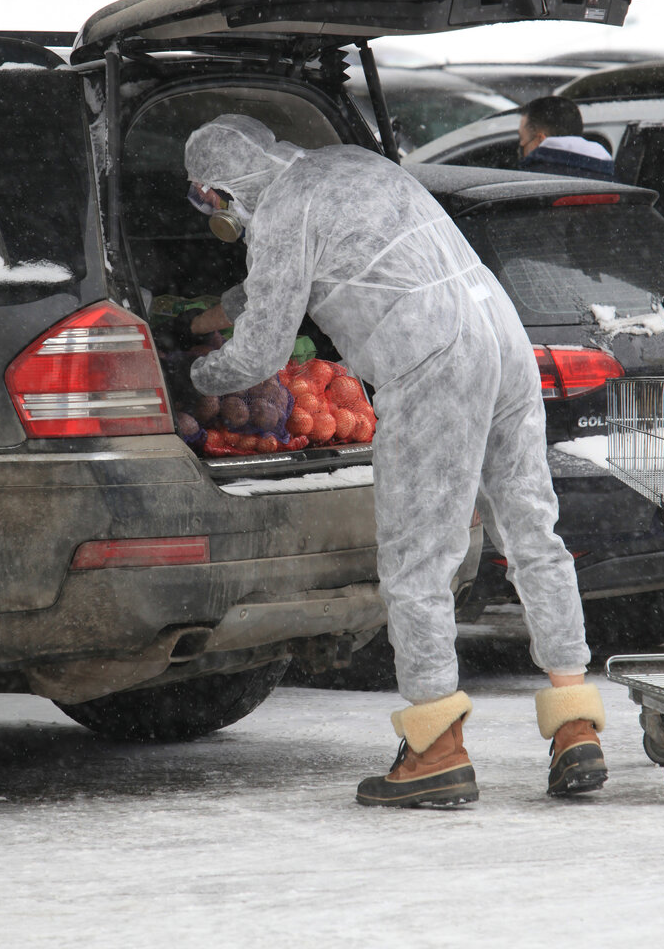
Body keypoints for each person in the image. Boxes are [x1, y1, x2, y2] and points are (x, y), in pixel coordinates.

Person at [185, 112, 608, 808]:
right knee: (533, 532)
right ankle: (576, 723)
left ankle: (434, 747)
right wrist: (222, 310)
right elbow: (314, 263)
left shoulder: (285, 208)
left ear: (220, 188)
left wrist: (198, 375)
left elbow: (262, 350)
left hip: (432, 357)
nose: (217, 216)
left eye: (210, 202)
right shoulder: (347, 163)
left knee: (418, 560)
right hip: (499, 335)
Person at [518, 95, 615, 180]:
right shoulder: (612, 182)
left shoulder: (530, 184)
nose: (520, 148)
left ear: (540, 140)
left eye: (522, 140)